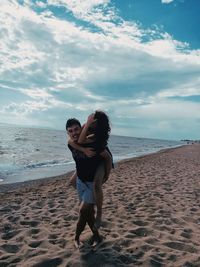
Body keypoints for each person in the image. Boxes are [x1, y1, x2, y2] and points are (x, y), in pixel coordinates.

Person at [66, 118, 112, 248]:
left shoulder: (91, 143)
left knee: (83, 210)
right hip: (80, 182)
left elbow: (107, 157)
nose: (74, 133)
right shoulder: (71, 144)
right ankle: (97, 236)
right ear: (67, 133)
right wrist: (74, 176)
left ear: (82, 129)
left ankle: (76, 238)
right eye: (70, 131)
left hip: (92, 184)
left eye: (76, 129)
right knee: (88, 213)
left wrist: (107, 174)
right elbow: (80, 162)